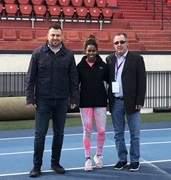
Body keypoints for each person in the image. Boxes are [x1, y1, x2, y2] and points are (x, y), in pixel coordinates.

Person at [25, 24, 79, 178]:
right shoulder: (37, 53)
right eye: (53, 35)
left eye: (58, 35)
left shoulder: (69, 55)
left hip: (62, 100)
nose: (55, 38)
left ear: (62, 36)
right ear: (47, 36)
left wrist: (74, 98)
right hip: (43, 100)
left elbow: (73, 78)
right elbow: (30, 77)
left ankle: (55, 163)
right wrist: (30, 97)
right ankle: (37, 165)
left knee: (59, 133)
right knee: (40, 134)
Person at [106, 32, 146, 172]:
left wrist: (140, 100)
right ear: (113, 45)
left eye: (122, 42)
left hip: (132, 101)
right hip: (115, 101)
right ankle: (122, 159)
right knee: (118, 134)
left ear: (127, 43)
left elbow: (142, 81)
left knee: (134, 134)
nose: (119, 45)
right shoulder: (109, 59)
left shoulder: (137, 59)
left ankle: (135, 160)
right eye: (116, 43)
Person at [77, 35, 109, 171]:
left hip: (100, 103)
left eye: (93, 51)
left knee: (101, 131)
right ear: (85, 51)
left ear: (97, 51)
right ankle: (88, 158)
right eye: (88, 51)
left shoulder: (103, 66)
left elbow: (110, 82)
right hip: (85, 103)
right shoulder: (79, 67)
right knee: (87, 130)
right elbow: (74, 84)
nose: (91, 53)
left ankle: (98, 155)